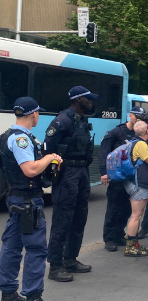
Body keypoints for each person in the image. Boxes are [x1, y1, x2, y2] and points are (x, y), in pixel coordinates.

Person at [0, 97, 63, 301]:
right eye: (38, 113)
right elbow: (29, 170)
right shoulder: (21, 139)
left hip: (17, 199)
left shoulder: (10, 135)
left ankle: (8, 296)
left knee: (12, 246)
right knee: (36, 250)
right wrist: (48, 158)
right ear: (33, 114)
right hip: (28, 202)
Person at [43, 85, 99, 282]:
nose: (91, 102)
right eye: (88, 99)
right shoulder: (62, 120)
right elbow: (48, 149)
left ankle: (71, 259)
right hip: (67, 173)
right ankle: (55, 265)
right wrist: (52, 173)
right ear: (77, 100)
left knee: (79, 216)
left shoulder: (82, 120)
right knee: (63, 218)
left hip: (82, 171)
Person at [97, 106, 143, 252]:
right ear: (130, 116)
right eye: (136, 116)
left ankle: (118, 234)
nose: (138, 120)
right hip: (117, 177)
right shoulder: (117, 132)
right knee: (114, 208)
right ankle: (109, 238)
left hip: (131, 178)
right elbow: (104, 151)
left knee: (126, 209)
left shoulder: (139, 133)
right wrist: (104, 172)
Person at [121, 120, 148, 257]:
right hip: (139, 184)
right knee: (136, 215)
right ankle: (131, 247)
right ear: (147, 131)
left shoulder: (133, 142)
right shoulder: (141, 144)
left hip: (133, 183)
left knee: (136, 214)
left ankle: (135, 245)